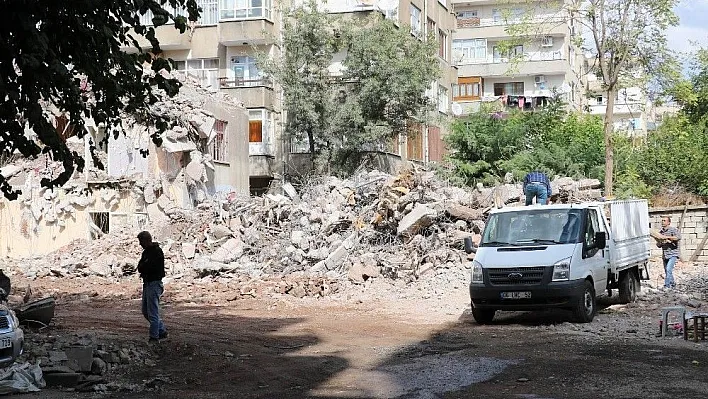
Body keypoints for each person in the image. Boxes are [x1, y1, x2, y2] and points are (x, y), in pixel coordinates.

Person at [137, 231, 168, 342]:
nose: (140, 244)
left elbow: (150, 267)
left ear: (146, 240)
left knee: (152, 312)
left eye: (141, 241)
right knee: (146, 311)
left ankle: (154, 337)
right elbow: (140, 267)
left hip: (154, 283)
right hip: (147, 283)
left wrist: (145, 266)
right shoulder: (146, 253)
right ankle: (161, 330)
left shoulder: (157, 252)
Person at [657, 216, 681, 289]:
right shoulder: (661, 232)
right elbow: (658, 245)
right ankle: (673, 284)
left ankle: (667, 285)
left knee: (668, 269)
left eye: (664, 220)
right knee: (667, 271)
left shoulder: (673, 230)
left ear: (669, 222)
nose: (663, 222)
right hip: (665, 255)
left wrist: (667, 238)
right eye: (662, 220)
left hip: (673, 254)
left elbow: (678, 237)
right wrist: (660, 242)